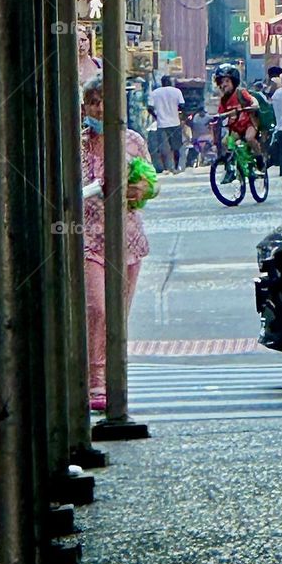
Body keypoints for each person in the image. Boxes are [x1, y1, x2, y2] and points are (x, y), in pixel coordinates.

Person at [80, 75, 156, 412]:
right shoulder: (75, 142)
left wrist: (142, 189)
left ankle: (112, 377)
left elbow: (149, 179)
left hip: (127, 238)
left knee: (117, 315)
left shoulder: (133, 141)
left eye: (104, 102)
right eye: (93, 102)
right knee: (97, 308)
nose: (99, 108)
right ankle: (94, 380)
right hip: (88, 238)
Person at [214, 64, 264, 170]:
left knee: (249, 138)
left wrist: (254, 105)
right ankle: (231, 167)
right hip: (236, 128)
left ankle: (259, 157)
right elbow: (221, 114)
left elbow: (253, 100)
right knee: (226, 142)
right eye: (221, 82)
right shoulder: (223, 100)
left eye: (227, 81)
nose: (224, 85)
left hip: (249, 124)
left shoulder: (241, 92)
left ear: (234, 81)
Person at [147, 74, 184, 173]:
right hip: (175, 123)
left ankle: (166, 168)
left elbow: (149, 108)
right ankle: (176, 167)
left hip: (161, 124)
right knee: (176, 147)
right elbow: (182, 106)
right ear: (170, 82)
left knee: (163, 147)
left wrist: (157, 117)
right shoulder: (177, 91)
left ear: (162, 83)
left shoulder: (155, 93)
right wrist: (178, 114)